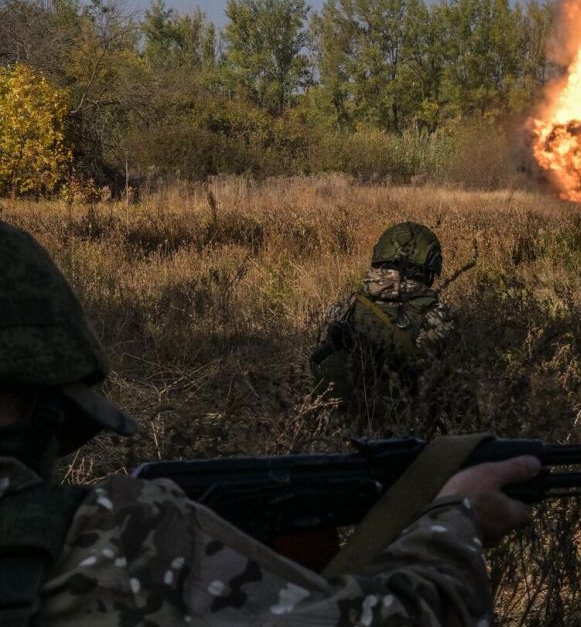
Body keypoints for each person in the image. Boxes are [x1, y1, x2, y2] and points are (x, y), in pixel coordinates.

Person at [0, 220, 539, 626]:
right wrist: (455, 525)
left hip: (337, 417)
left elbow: (319, 364)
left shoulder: (347, 306)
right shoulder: (114, 542)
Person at [310, 222, 456, 417]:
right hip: (404, 433)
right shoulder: (438, 315)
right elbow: (437, 382)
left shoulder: (344, 308)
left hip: (338, 429)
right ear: (428, 268)